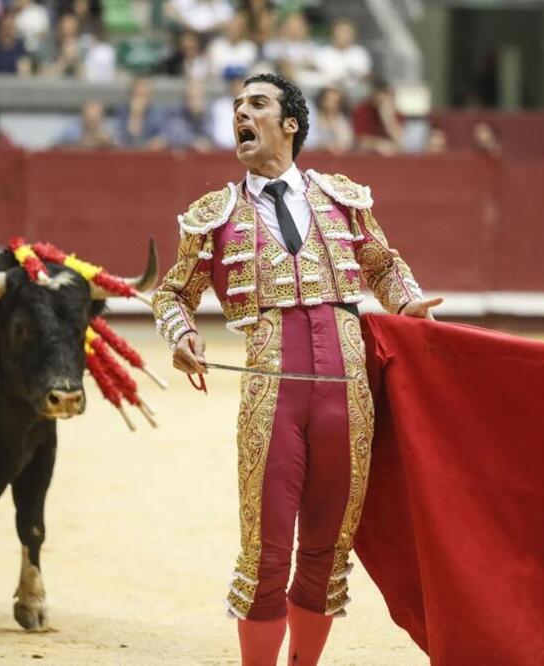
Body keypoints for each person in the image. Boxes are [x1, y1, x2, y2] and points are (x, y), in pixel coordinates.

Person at [151, 72, 440, 666]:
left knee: (327, 553)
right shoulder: (214, 214)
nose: (241, 113)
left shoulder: (342, 197)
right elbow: (172, 293)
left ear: (289, 124)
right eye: (236, 106)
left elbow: (383, 264)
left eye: (256, 104)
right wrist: (182, 335)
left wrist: (407, 301)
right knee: (265, 551)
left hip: (347, 392)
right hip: (271, 395)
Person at [314, 19, 371, 89]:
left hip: (354, 90)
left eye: (347, 32)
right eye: (341, 32)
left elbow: (365, 74)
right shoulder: (322, 53)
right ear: (333, 34)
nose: (344, 36)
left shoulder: (360, 52)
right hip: (328, 89)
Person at [352, 80, 404, 156]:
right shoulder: (362, 111)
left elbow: (400, 141)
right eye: (378, 94)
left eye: (385, 95)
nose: (381, 99)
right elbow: (359, 141)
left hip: (390, 159)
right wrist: (378, 144)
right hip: (367, 158)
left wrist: (387, 118)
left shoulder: (396, 113)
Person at [160, 77, 213, 151]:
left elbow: (210, 139)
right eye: (190, 98)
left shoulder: (208, 114)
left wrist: (198, 116)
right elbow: (175, 136)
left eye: (196, 97)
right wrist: (193, 141)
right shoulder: (176, 113)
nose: (193, 102)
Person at [116, 77, 168, 149]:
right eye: (137, 95)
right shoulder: (122, 112)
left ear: (150, 97)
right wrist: (135, 116)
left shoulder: (156, 113)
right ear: (130, 96)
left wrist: (157, 142)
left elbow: (163, 138)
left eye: (144, 96)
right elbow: (120, 141)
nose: (140, 100)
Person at [206, 12, 258, 79]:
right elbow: (213, 71)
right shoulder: (215, 46)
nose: (235, 30)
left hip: (243, 83)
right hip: (220, 83)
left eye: (238, 27)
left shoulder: (250, 47)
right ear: (227, 28)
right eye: (232, 26)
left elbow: (250, 70)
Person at [307, 87, 352, 154]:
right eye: (329, 100)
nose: (331, 104)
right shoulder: (313, 117)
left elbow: (347, 142)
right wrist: (324, 147)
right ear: (322, 100)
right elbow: (309, 141)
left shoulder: (342, 120)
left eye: (336, 101)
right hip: (315, 155)